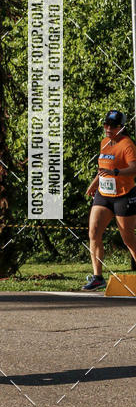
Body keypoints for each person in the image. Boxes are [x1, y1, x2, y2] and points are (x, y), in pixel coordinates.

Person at [83, 110, 136, 291]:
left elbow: (134, 168)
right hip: (104, 194)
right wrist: (94, 184)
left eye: (113, 126)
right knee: (94, 232)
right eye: (106, 124)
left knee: (127, 238)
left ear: (121, 128)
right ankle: (98, 277)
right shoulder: (105, 143)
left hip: (124, 195)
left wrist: (117, 173)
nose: (108, 128)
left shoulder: (127, 145)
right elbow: (102, 168)